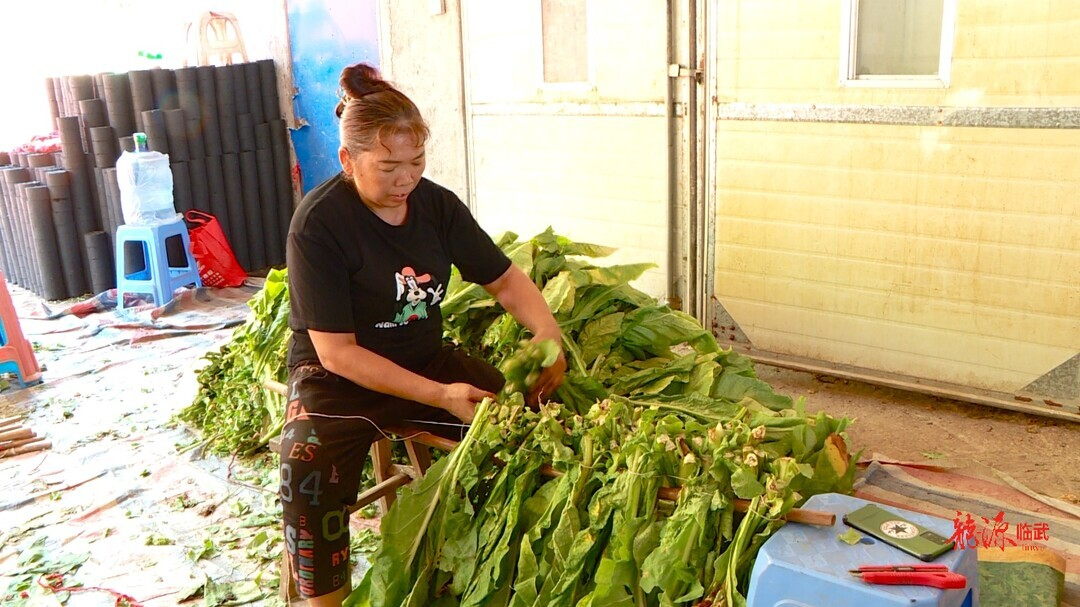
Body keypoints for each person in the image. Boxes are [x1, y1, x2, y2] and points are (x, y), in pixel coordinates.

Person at [280, 62, 567, 606]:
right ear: (348, 159)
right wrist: (439, 396)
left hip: (422, 358)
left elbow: (504, 279)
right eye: (388, 166)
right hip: (337, 379)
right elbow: (337, 354)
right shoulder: (318, 225)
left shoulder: (436, 206)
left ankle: (495, 558)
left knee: (525, 420)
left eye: (416, 162)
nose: (405, 179)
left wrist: (548, 332)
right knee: (305, 470)